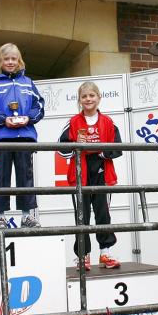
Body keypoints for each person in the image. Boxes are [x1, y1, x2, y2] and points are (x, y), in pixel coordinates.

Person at [58, 81, 122, 270]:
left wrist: (101, 151)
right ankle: (83, 256)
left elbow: (118, 147)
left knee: (103, 214)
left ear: (99, 98)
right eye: (84, 96)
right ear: (79, 100)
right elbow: (61, 150)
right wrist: (75, 144)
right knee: (82, 216)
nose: (88, 99)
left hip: (102, 171)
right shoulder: (73, 122)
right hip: (80, 172)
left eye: (92, 95)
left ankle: (105, 252)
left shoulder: (108, 122)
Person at [0, 43, 45, 229]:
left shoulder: (29, 82)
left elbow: (39, 106)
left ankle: (27, 216)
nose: (10, 62)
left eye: (14, 59)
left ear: (19, 61)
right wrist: (4, 120)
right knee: (1, 177)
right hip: (2, 136)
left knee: (25, 177)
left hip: (25, 136)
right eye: (6, 59)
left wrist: (29, 118)